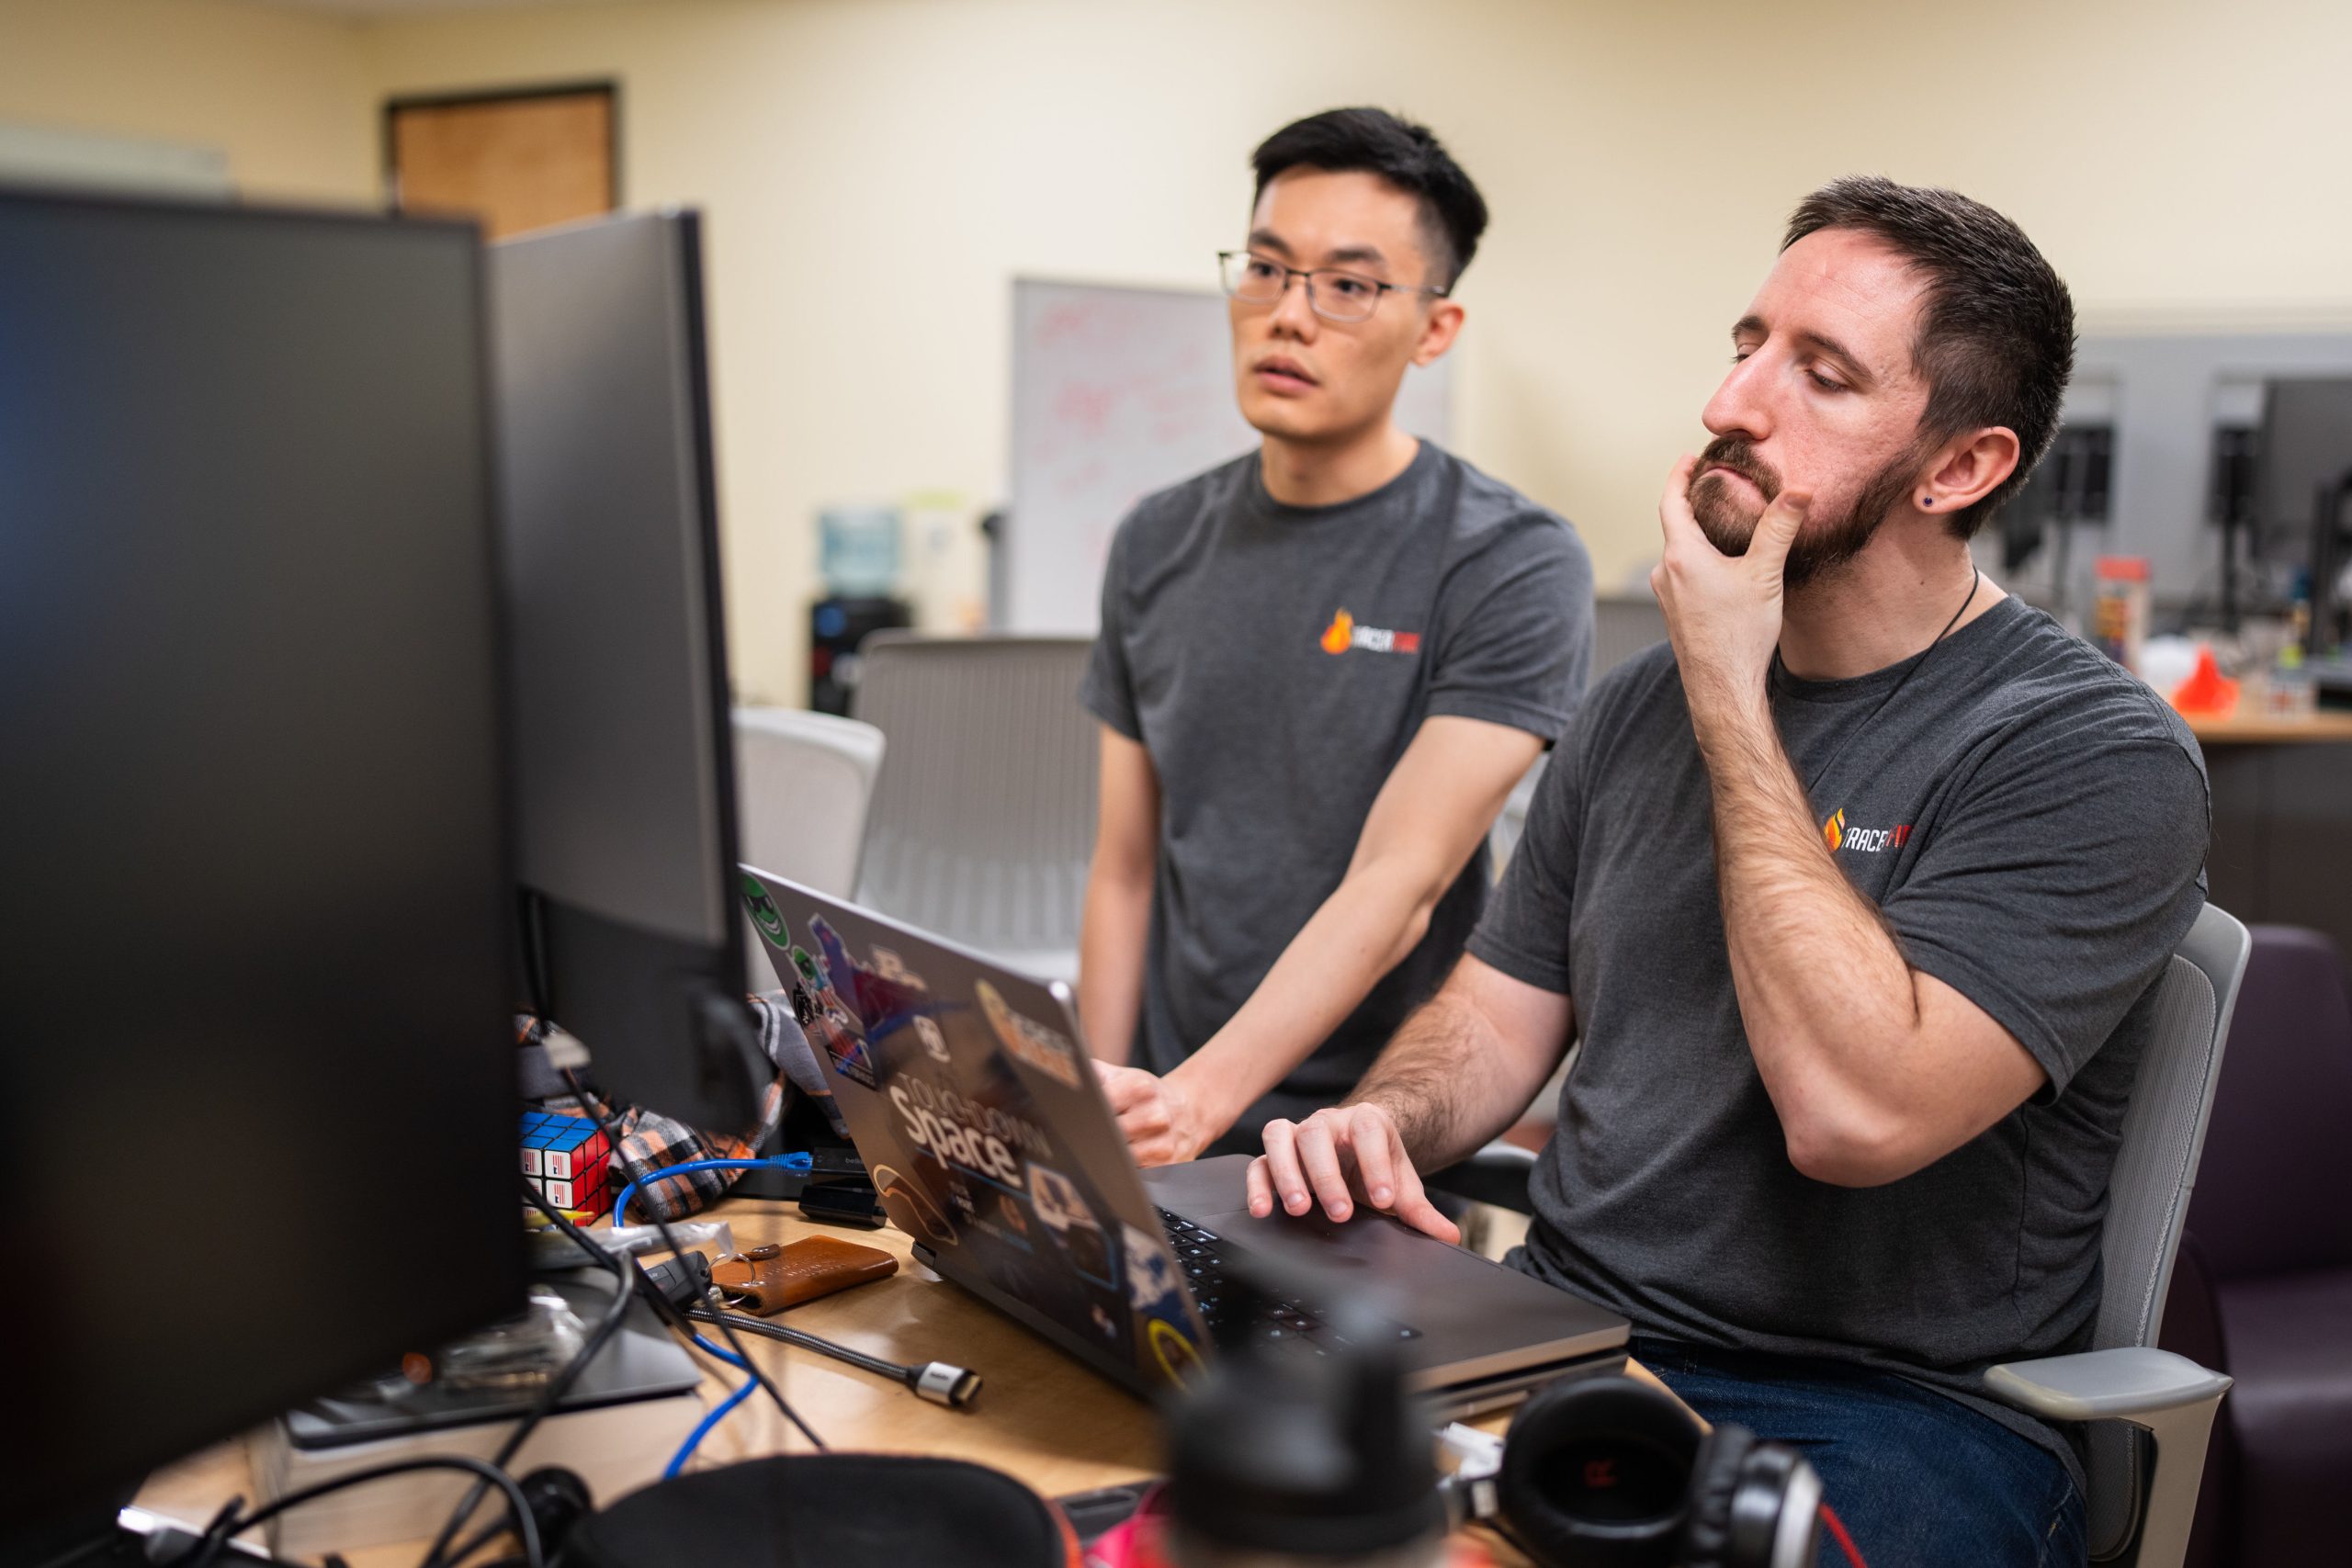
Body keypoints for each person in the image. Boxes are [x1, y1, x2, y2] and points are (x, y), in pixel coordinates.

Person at [1243, 176, 2211, 1566]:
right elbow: (1498, 1010)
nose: (1733, 402)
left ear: (1959, 469)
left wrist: (1728, 692)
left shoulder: (2086, 752)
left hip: (1897, 1412)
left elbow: (1856, 1114)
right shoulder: (1639, 706)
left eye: (1817, 374)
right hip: (1571, 1334)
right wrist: (1386, 1122)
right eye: (1747, 341)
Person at [1078, 107, 1594, 1165]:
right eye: (1265, 268)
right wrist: (1092, 1103)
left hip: (1362, 1136)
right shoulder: (1155, 540)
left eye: (1348, 285)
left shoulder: (1511, 560)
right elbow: (1125, 868)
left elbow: (1399, 882)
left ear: (1433, 328)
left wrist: (1198, 1102)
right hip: (1165, 1114)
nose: (1288, 316)